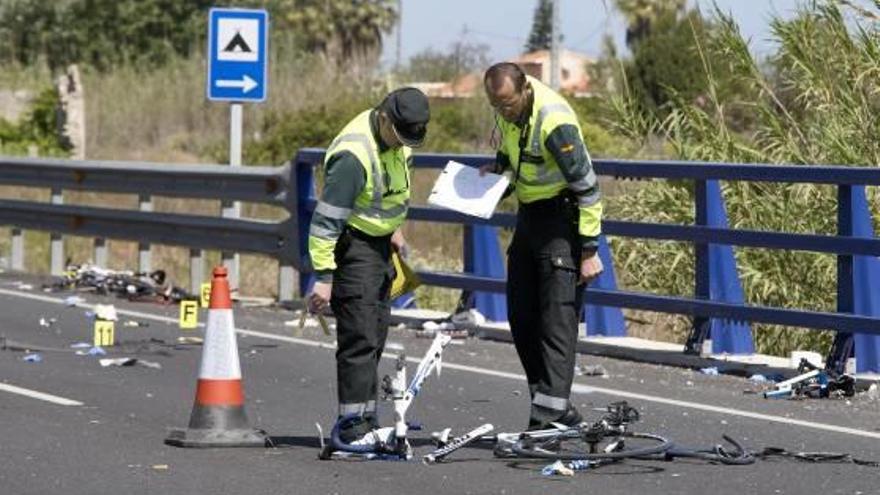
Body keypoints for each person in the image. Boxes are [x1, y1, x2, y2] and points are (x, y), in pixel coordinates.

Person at [482, 62, 604, 430]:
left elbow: (588, 188)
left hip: (561, 222)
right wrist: (492, 178)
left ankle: (548, 418)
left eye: (507, 103)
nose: (502, 111)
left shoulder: (553, 122)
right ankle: (553, 406)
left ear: (524, 91)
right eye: (495, 105)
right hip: (529, 218)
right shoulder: (507, 112)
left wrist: (589, 250)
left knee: (556, 321)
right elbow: (511, 160)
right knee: (521, 316)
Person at [306, 87, 430, 448]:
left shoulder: (400, 140)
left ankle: (366, 420)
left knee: (375, 334)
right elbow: (326, 222)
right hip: (353, 244)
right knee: (359, 338)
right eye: (400, 135)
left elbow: (391, 191)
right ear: (384, 118)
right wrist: (324, 279)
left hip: (380, 246)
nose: (404, 144)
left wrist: (394, 229)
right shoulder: (353, 155)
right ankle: (350, 427)